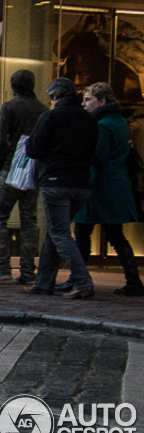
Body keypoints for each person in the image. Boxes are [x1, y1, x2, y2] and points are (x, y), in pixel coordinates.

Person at [24, 77, 99, 299]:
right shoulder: (89, 120)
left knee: (59, 232)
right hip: (81, 183)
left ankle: (83, 282)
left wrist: (28, 144)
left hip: (55, 181)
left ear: (55, 97)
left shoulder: (50, 117)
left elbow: (34, 149)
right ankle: (44, 282)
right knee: (56, 232)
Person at [68, 83, 142, 296]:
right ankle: (133, 280)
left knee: (83, 232)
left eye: (88, 99)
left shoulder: (102, 124)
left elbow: (97, 157)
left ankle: (78, 279)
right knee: (115, 234)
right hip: (116, 185)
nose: (84, 104)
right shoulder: (119, 121)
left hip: (99, 186)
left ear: (102, 101)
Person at [0, 69, 47, 285]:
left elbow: (0, 141)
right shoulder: (43, 110)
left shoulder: (9, 107)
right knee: (29, 220)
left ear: (13, 86)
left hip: (11, 167)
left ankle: (2, 267)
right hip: (33, 169)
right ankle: (28, 270)